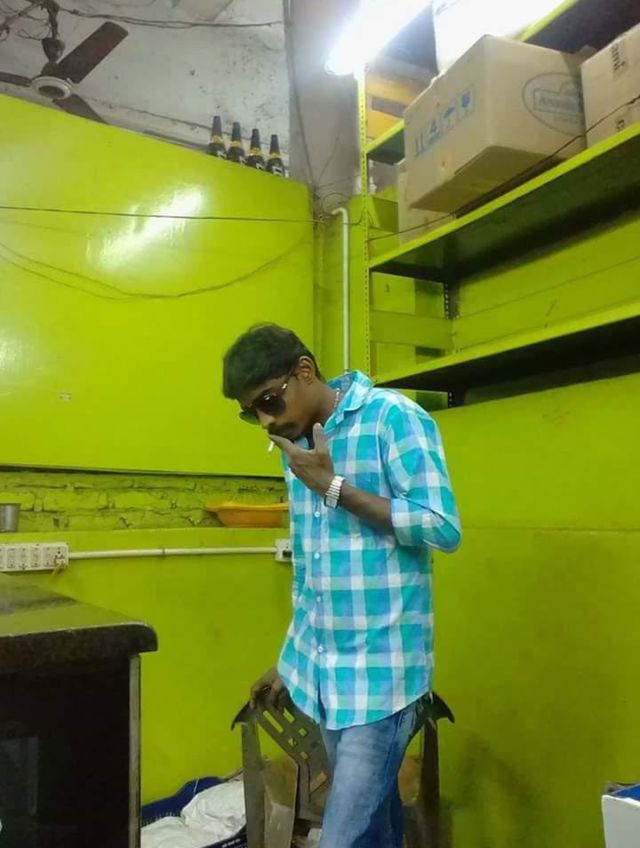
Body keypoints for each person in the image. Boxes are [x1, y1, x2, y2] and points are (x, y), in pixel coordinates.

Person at [222, 324, 461, 848]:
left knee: (342, 837)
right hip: (327, 678)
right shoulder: (296, 445)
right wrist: (293, 657)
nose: (266, 422)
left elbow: (442, 526)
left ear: (305, 371)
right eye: (251, 412)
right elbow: (312, 569)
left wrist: (333, 488)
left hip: (383, 679)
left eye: (269, 401)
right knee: (374, 831)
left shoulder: (392, 418)